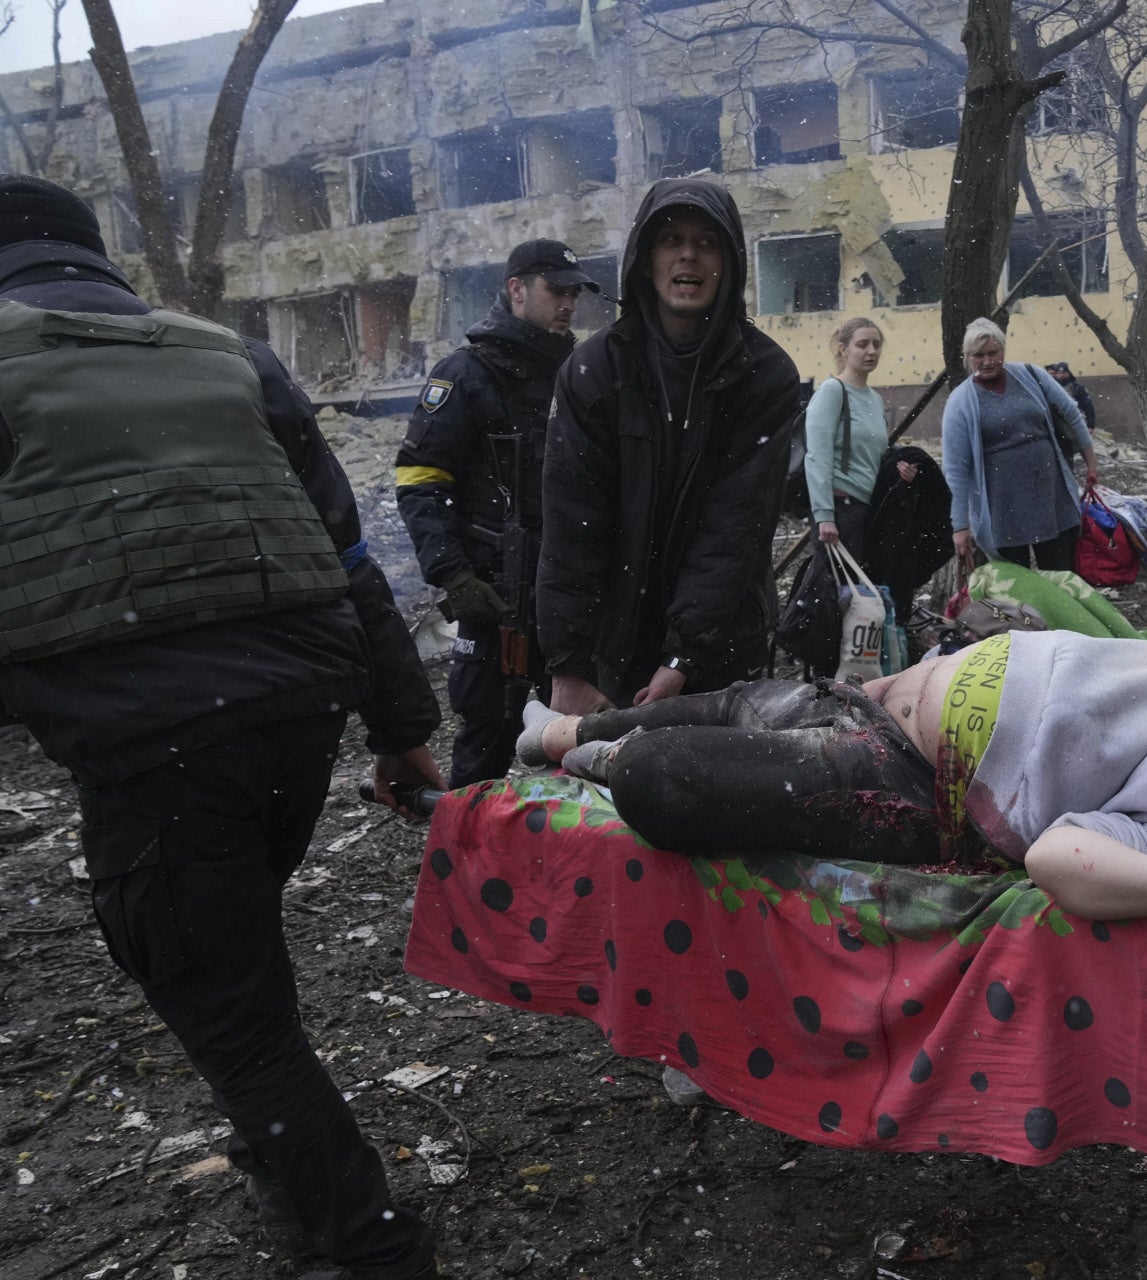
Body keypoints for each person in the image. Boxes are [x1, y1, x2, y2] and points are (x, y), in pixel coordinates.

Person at [0, 175, 444, 1279]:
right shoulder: (220, 349)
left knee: (219, 997)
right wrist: (399, 723)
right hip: (300, 707)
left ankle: (375, 1243)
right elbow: (348, 553)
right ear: (97, 258)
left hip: (154, 736)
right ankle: (277, 1156)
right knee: (234, 953)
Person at [519, 602, 1147, 971]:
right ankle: (566, 732)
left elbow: (1056, 858)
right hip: (903, 688)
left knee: (664, 774)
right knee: (754, 702)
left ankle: (597, 757)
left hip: (916, 781)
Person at [538, 178, 801, 714]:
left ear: (729, 261)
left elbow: (735, 527)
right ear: (645, 258)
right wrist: (568, 663)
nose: (688, 254)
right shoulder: (593, 371)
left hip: (724, 643)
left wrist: (684, 656)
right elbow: (572, 527)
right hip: (615, 643)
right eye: (671, 239)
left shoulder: (765, 374)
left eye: (707, 241)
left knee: (717, 791)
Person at [396, 239, 598, 786]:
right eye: (557, 290)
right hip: (494, 593)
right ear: (516, 290)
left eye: (575, 292)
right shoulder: (466, 374)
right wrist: (453, 574)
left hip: (570, 595)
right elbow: (420, 479)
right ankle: (464, 861)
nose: (568, 303)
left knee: (576, 740)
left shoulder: (581, 373)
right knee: (487, 738)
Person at [805, 316, 948, 617]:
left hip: (872, 511)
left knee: (866, 597)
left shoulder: (872, 398)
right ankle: (829, 664)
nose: (871, 351)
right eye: (862, 345)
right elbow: (816, 456)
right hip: (841, 511)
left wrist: (899, 471)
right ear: (843, 350)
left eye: (876, 345)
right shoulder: (832, 392)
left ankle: (863, 661)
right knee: (839, 599)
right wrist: (824, 516)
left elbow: (876, 455)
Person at [942, 317, 1099, 572]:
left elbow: (1071, 413)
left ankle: (1058, 613)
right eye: (978, 355)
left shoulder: (1030, 375)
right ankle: (1025, 614)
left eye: (993, 353)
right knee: (1016, 584)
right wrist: (960, 525)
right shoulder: (960, 402)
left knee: (1061, 575)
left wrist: (1091, 462)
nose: (987, 361)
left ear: (1003, 350)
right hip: (1003, 505)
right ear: (967, 357)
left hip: (1050, 495)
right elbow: (956, 468)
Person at [1046, 359, 1097, 435]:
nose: (1061, 375)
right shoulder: (1051, 388)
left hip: (1076, 422)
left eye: (1063, 373)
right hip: (1058, 425)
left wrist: (1090, 425)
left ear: (1068, 373)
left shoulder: (1077, 388)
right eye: (1058, 373)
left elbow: (1087, 406)